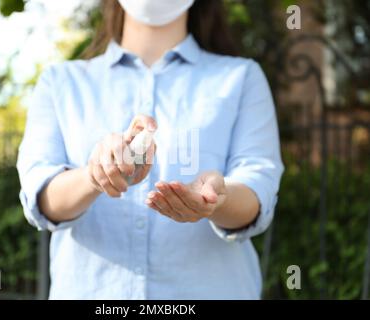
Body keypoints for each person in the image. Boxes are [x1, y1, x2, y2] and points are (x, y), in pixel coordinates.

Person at [17, 0, 284, 299]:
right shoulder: (60, 83)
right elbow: (40, 198)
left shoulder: (242, 77)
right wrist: (93, 177)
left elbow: (258, 189)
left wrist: (217, 200)